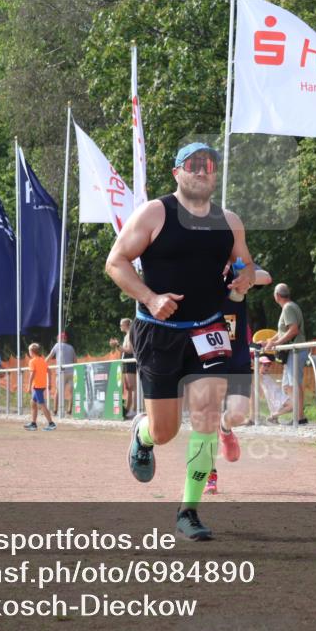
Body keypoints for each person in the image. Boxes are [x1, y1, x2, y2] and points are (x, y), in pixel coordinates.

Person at [105, 141, 255, 541]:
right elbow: (115, 262)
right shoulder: (156, 213)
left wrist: (244, 275)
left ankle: (188, 510)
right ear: (177, 172)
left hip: (208, 328)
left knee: (207, 414)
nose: (203, 170)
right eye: (194, 164)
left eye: (209, 164)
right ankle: (143, 434)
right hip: (159, 333)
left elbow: (246, 262)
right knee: (166, 430)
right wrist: (150, 298)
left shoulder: (229, 221)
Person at [207, 265, 272, 495]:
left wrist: (245, 277)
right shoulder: (198, 269)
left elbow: (266, 277)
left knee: (237, 414)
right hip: (206, 356)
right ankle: (209, 475)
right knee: (207, 418)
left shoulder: (237, 266)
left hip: (237, 358)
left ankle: (225, 429)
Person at [263, 283, 308, 424]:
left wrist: (276, 344)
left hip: (295, 351)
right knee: (290, 385)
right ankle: (297, 415)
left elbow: (293, 330)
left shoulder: (288, 308)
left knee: (294, 385)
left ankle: (298, 417)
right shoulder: (290, 306)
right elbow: (284, 331)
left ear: (277, 296)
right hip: (294, 352)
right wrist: (270, 340)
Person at [24, 343, 56, 431]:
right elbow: (49, 371)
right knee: (33, 403)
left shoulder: (32, 361)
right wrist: (49, 383)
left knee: (42, 405)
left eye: (29, 350)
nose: (29, 352)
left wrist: (29, 386)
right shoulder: (42, 360)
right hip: (41, 385)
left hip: (37, 386)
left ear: (32, 352)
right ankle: (33, 423)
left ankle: (51, 423)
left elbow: (32, 374)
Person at [46, 332, 76, 415]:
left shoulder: (57, 345)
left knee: (58, 391)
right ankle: (69, 410)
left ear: (59, 338)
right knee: (71, 391)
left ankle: (55, 410)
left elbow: (50, 356)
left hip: (61, 372)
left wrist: (42, 364)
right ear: (66, 339)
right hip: (71, 371)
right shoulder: (71, 347)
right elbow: (75, 360)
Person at [113, 319, 137, 418]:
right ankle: (128, 409)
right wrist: (117, 346)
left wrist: (118, 345)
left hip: (130, 361)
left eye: (121, 324)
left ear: (127, 325)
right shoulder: (127, 335)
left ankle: (135, 409)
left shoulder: (131, 334)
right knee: (128, 387)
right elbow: (124, 350)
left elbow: (130, 350)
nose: (120, 326)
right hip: (126, 361)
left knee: (133, 387)